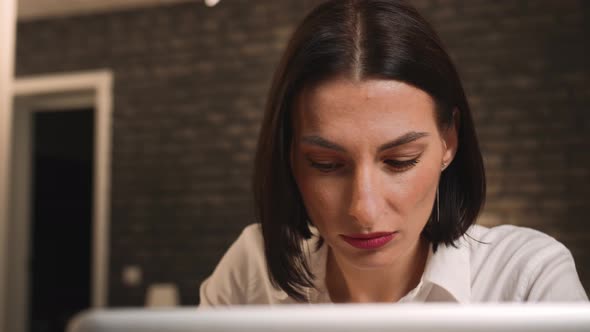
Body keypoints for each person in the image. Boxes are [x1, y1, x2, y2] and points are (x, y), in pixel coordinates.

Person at [199, 0, 588, 305]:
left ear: (448, 142)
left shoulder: (525, 277)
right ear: (288, 157)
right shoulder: (251, 270)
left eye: (400, 161)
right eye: (327, 165)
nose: (364, 210)